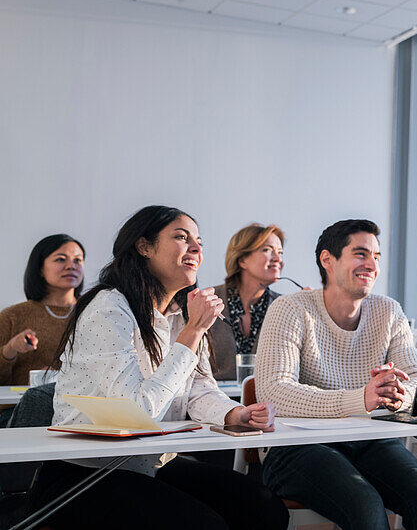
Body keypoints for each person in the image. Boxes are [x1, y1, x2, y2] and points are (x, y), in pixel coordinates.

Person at [26, 205, 287, 530]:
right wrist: (193, 333)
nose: (196, 248)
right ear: (144, 246)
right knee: (204, 524)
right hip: (84, 473)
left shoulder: (181, 313)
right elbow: (137, 414)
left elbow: (198, 390)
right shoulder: (108, 307)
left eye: (199, 241)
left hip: (150, 462)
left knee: (262, 506)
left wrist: (234, 414)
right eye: (181, 237)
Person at [255, 219, 417, 530]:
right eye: (360, 254)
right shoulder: (291, 309)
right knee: (365, 504)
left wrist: (396, 395)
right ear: (327, 260)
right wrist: (361, 398)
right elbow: (274, 393)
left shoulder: (388, 311)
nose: (372, 264)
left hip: (368, 440)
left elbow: (416, 380)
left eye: (377, 256)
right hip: (298, 448)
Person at [0, 234, 85, 385]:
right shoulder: (12, 316)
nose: (71, 266)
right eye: (60, 259)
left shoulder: (96, 312)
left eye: (78, 260)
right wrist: (10, 349)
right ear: (40, 268)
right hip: (21, 405)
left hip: (79, 406)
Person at [207, 223, 286, 381]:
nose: (278, 259)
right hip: (214, 401)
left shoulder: (285, 306)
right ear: (242, 260)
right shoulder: (208, 300)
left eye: (280, 252)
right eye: (267, 250)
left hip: (265, 402)